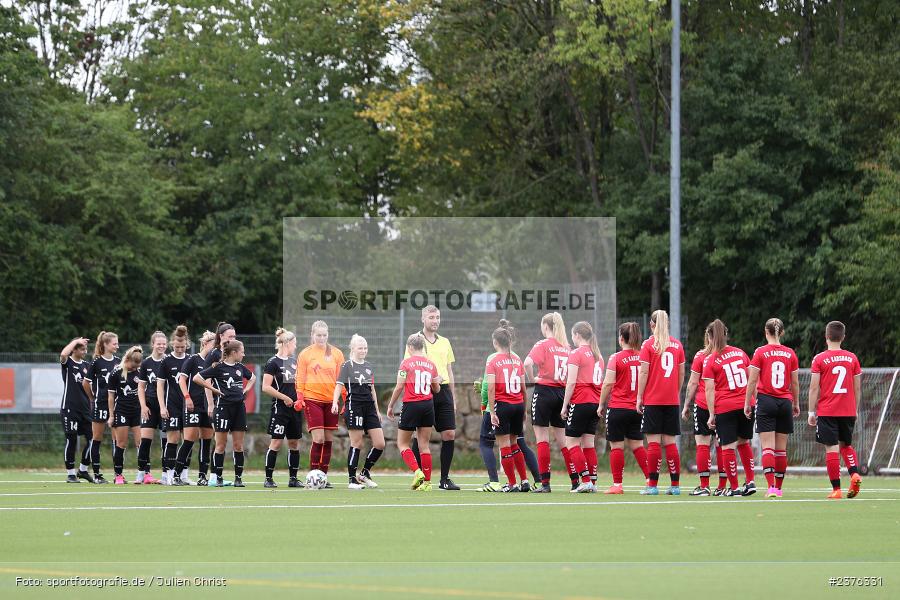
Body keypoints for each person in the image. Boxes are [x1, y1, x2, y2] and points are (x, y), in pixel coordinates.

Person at [808, 321, 863, 499]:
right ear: (843, 337)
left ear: (826, 337)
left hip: (828, 410)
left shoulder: (819, 359)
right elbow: (857, 388)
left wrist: (810, 412)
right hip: (847, 410)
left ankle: (836, 489)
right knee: (845, 445)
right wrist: (855, 409)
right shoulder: (852, 358)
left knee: (831, 448)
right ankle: (854, 473)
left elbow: (814, 388)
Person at [407, 305, 459, 490]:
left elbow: (450, 371)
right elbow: (409, 367)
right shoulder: (415, 340)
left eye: (437, 317)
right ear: (423, 319)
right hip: (424, 391)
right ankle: (419, 475)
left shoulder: (445, 342)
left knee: (449, 433)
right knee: (421, 436)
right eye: (431, 317)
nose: (435, 320)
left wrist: (452, 396)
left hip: (443, 391)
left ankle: (444, 479)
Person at [746, 318, 800, 499]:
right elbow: (795, 383)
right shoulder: (790, 353)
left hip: (766, 400)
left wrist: (748, 402)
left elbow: (752, 380)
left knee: (767, 447)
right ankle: (779, 487)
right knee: (781, 449)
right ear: (782, 332)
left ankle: (770, 488)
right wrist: (796, 403)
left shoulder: (760, 352)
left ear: (765, 332)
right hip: (785, 401)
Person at [636, 309, 686, 495]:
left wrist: (640, 397)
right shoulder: (677, 345)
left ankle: (652, 486)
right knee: (670, 443)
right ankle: (675, 486)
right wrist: (675, 391)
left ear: (652, 325)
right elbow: (681, 374)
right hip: (671, 400)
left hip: (653, 399)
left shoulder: (648, 345)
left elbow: (643, 372)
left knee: (654, 443)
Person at [194, 340, 256, 487]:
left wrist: (246, 390)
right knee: (220, 445)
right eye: (242, 351)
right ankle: (218, 478)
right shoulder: (218, 367)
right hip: (223, 409)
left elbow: (252, 377)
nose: (244, 354)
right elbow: (197, 378)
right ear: (234, 353)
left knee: (238, 446)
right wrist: (214, 390)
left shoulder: (240, 367)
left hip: (239, 409)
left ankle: (238, 478)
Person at [703, 319, 753, 497]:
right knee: (744, 442)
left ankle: (734, 488)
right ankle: (751, 480)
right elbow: (750, 378)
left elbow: (709, 389)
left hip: (726, 406)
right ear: (726, 334)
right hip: (746, 404)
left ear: (709, 338)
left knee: (728, 447)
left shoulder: (710, 360)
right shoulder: (740, 353)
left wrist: (711, 414)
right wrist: (749, 401)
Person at [524, 312, 573, 492]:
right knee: (564, 441)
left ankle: (545, 483)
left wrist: (533, 379)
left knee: (542, 438)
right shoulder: (566, 347)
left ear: (546, 326)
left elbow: (527, 363)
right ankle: (575, 480)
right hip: (561, 393)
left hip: (544, 392)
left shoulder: (543, 344)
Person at [598, 322, 649, 494]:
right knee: (638, 446)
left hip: (618, 408)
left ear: (621, 338)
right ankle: (650, 480)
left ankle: (617, 485)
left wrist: (600, 403)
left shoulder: (616, 358)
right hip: (637, 408)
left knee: (616, 447)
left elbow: (608, 383)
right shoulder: (643, 356)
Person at [387, 333, 441, 491]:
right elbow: (436, 389)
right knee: (424, 445)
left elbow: (399, 386)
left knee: (402, 443)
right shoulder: (431, 365)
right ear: (422, 347)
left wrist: (390, 406)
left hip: (411, 405)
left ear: (410, 347)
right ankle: (428, 483)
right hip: (428, 405)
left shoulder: (405, 364)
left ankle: (417, 472)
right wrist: (435, 382)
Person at [332, 335, 385, 489]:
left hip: (369, 407)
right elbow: (338, 385)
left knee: (380, 443)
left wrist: (377, 410)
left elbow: (372, 389)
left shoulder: (368, 366)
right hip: (354, 406)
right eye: (360, 348)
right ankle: (352, 480)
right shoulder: (346, 365)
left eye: (365, 348)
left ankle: (365, 473)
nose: (363, 350)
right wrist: (335, 402)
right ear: (353, 348)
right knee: (357, 443)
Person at [296, 320, 344, 484]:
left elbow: (341, 379)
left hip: (332, 401)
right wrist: (300, 396)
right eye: (318, 335)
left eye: (324, 335)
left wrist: (345, 399)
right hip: (312, 399)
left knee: (329, 440)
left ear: (328, 334)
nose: (321, 338)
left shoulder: (337, 354)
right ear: (312, 335)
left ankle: (323, 477)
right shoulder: (305, 354)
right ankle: (313, 476)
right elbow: (300, 377)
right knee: (319, 439)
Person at [560, 321, 604, 493]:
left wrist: (565, 406)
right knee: (588, 444)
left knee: (571, 443)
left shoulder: (576, 354)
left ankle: (585, 480)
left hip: (580, 401)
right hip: (594, 403)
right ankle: (592, 481)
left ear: (577, 335)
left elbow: (571, 382)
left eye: (573, 335)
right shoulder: (598, 355)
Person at [486, 321, 530, 492]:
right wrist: (524, 409)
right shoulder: (517, 361)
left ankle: (512, 484)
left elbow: (491, 388)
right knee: (515, 443)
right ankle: (524, 481)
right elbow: (524, 388)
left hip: (503, 405)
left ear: (495, 342)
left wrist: (491, 412)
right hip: (518, 404)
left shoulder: (493, 361)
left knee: (504, 444)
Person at [262, 328, 304, 488]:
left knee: (294, 443)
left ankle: (293, 479)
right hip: (280, 409)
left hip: (295, 409)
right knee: (276, 442)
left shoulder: (294, 362)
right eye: (294, 343)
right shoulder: (273, 362)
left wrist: (300, 398)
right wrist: (285, 397)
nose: (295, 346)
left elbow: (299, 384)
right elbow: (265, 387)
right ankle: (268, 478)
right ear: (287, 343)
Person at [176, 330, 216, 486]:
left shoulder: (214, 362)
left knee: (206, 441)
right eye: (214, 344)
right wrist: (187, 397)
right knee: (189, 440)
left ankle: (202, 476)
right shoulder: (193, 360)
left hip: (207, 406)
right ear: (206, 343)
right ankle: (177, 475)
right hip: (192, 405)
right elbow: (182, 380)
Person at [82, 331, 120, 484]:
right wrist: (92, 397)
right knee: (96, 438)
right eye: (114, 343)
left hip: (116, 405)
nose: (117, 346)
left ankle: (118, 474)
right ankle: (97, 474)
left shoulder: (119, 361)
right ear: (105, 344)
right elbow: (86, 383)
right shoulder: (96, 362)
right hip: (100, 404)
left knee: (116, 439)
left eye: (117, 343)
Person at [682, 331, 715, 496]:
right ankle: (724, 487)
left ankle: (704, 486)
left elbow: (693, 382)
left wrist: (686, 405)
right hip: (723, 404)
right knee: (724, 445)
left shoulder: (701, 356)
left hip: (703, 404)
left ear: (708, 336)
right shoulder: (732, 354)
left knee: (703, 444)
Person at [157, 326, 190, 485]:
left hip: (188, 405)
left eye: (182, 347)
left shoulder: (190, 359)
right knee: (173, 439)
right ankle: (168, 474)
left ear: (187, 345)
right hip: (172, 405)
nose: (179, 349)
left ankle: (183, 475)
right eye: (176, 347)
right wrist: (162, 407)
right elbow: (160, 386)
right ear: (172, 344)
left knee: (188, 439)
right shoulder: (166, 361)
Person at [59, 337, 93, 483]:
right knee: (71, 440)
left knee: (93, 439)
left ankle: (83, 470)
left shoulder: (87, 365)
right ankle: (71, 474)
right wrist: (74, 341)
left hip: (85, 409)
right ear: (74, 349)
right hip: (70, 408)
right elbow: (63, 355)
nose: (85, 351)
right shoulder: (68, 363)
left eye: (86, 349)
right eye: (82, 349)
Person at [108, 346, 144, 485]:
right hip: (121, 411)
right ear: (127, 359)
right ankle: (118, 475)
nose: (134, 369)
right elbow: (111, 396)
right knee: (121, 443)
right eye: (132, 365)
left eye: (137, 366)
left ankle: (143, 473)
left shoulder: (140, 372)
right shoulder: (116, 372)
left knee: (140, 443)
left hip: (137, 411)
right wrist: (111, 416)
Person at [136, 331, 167, 484]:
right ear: (153, 344)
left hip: (166, 407)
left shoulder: (168, 361)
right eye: (158, 343)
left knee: (166, 441)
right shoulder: (146, 363)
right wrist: (143, 406)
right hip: (150, 406)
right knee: (145, 440)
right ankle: (142, 473)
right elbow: (141, 387)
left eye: (164, 343)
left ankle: (166, 473)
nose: (161, 346)